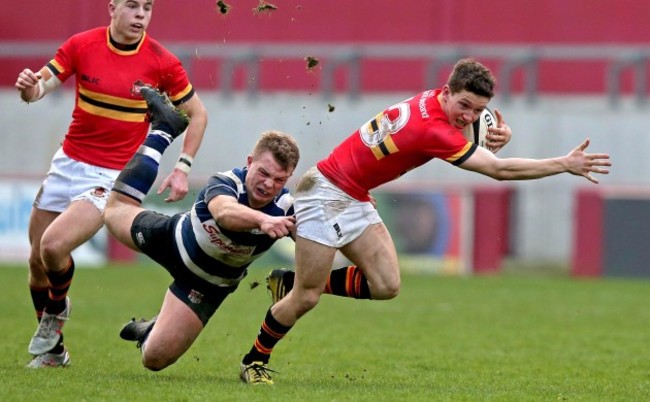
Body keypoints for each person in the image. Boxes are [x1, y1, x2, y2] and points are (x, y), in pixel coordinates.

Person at [238, 58, 611, 384]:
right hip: (326, 193)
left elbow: (467, 129)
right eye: (464, 105)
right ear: (448, 92)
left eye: (478, 110)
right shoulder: (431, 129)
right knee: (307, 297)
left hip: (353, 195)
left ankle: (288, 282)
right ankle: (255, 359)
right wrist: (563, 163)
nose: (468, 116)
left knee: (386, 284)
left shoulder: (436, 101)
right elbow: (498, 171)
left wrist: (493, 131)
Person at [15, 0, 208, 368]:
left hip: (110, 178)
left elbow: (197, 113)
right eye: (132, 6)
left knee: (53, 247)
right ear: (112, 8)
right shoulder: (81, 45)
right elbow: (40, 87)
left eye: (147, 8)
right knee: (37, 263)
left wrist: (182, 167)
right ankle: (55, 353)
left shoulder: (161, 61)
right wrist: (28, 89)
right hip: (66, 164)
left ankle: (55, 315)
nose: (140, 15)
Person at [102, 87, 300, 372]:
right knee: (113, 212)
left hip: (207, 285)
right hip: (170, 239)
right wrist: (262, 221)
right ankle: (161, 132)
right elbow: (223, 212)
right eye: (263, 173)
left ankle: (151, 329)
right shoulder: (226, 181)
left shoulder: (288, 206)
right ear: (249, 163)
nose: (268, 184)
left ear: (289, 177)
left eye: (279, 179)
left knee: (154, 360)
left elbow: (320, 237)